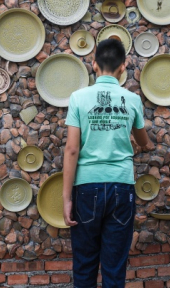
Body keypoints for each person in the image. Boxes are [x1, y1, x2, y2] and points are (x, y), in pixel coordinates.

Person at [62, 38, 152, 288]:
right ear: (123, 67)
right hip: (121, 187)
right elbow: (143, 140)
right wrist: (147, 143)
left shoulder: (79, 98)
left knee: (84, 265)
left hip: (86, 187)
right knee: (114, 268)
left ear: (94, 65)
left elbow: (71, 149)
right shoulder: (132, 100)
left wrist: (67, 198)